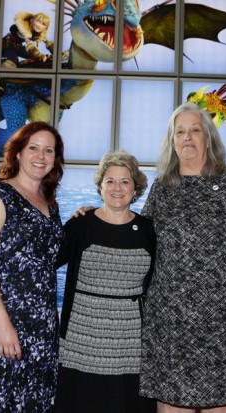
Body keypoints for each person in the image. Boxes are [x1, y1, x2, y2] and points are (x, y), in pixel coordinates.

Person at [139, 102, 226, 412]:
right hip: (170, 316)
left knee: (224, 403)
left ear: (208, 138)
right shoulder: (162, 187)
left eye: (195, 130)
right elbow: (140, 239)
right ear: (172, 141)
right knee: (172, 402)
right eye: (180, 132)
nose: (187, 137)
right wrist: (97, 218)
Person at [0, 121, 66, 412]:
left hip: (42, 324)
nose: (41, 156)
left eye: (49, 150)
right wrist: (2, 323)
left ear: (55, 159)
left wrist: (82, 221)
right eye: (33, 148)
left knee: (34, 401)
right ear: (18, 153)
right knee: (1, 399)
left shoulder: (50, 204)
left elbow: (48, 256)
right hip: (4, 321)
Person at [55, 150, 157, 413]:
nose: (117, 188)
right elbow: (47, 261)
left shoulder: (148, 230)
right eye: (110, 180)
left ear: (135, 187)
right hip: (82, 335)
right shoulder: (80, 224)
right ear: (100, 186)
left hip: (130, 338)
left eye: (125, 181)